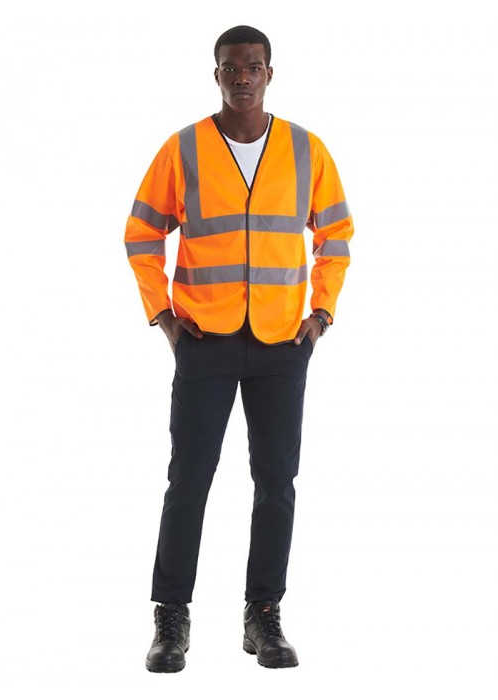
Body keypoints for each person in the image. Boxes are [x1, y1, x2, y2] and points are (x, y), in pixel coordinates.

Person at [123, 24, 354, 673]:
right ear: (217, 73)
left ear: (269, 73)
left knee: (277, 483)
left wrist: (322, 312)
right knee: (188, 480)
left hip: (283, 341)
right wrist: (164, 318)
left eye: (254, 67)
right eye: (232, 67)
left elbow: (336, 234)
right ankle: (171, 617)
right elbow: (141, 235)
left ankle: (263, 614)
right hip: (205, 339)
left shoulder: (306, 150)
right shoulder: (185, 148)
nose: (243, 77)